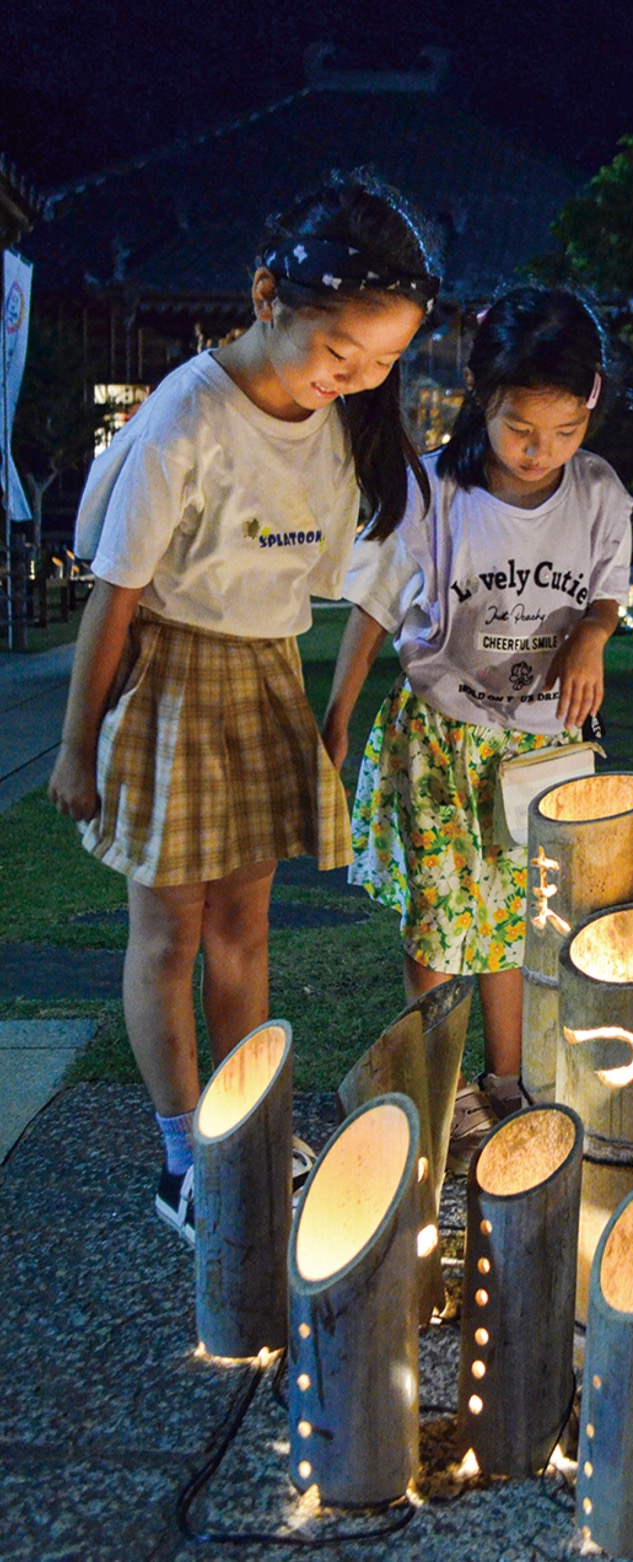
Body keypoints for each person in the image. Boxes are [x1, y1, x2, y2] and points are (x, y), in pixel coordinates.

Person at [48, 169, 440, 1245]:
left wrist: (332, 710)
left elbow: (334, 580)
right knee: (168, 931)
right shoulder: (188, 415)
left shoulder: (338, 422)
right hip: (169, 674)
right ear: (268, 295)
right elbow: (114, 595)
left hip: (265, 673)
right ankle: (183, 1153)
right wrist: (77, 747)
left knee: (245, 932)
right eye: (337, 352)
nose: (353, 380)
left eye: (382, 362)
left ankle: (248, 1121)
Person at [322, 285, 633, 1171]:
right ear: (479, 396)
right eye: (520, 430)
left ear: (593, 400)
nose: (542, 453)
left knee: (516, 924)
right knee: (437, 923)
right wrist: (336, 718)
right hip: (444, 737)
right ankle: (440, 1089)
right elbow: (374, 607)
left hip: (543, 748)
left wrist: (594, 633)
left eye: (566, 431)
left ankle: (511, 1084)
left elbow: (607, 587)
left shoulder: (599, 493)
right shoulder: (431, 489)